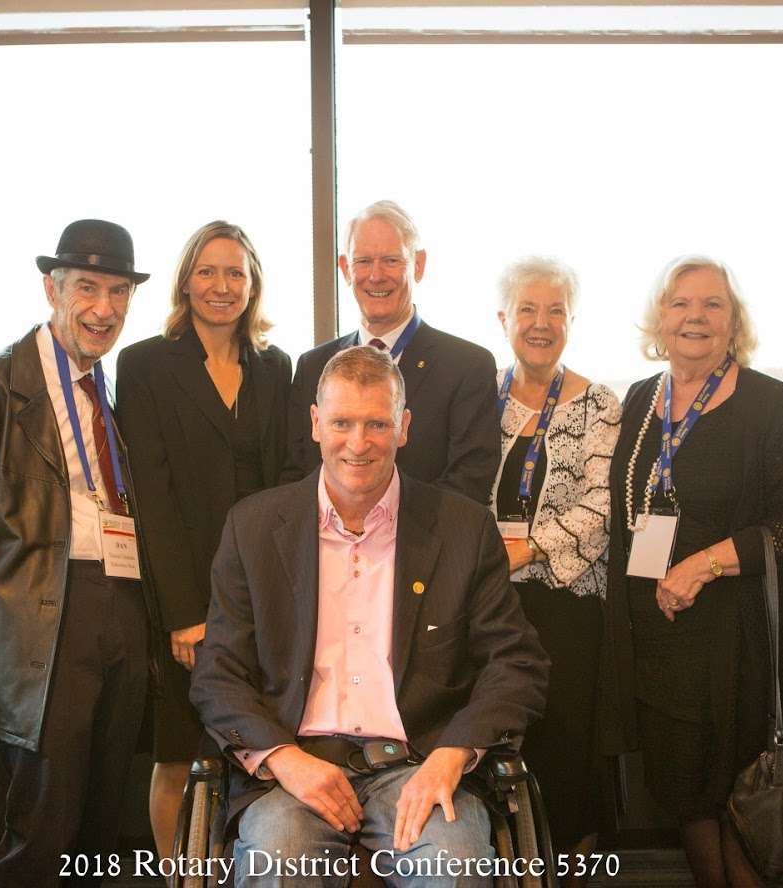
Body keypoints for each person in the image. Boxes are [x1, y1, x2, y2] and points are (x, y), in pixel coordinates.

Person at [192, 346, 549, 888]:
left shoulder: (463, 529)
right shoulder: (253, 527)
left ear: (404, 427)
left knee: (454, 867)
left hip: (419, 766)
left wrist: (453, 754)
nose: (358, 444)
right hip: (296, 773)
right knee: (279, 861)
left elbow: (517, 664)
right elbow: (217, 673)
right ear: (315, 423)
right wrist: (284, 759)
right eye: (342, 423)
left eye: (377, 424)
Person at [0, 219, 158, 887]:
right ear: (51, 290)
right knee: (43, 830)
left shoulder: (104, 391)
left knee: (100, 825)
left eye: (119, 292)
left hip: (120, 612)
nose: (104, 309)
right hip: (45, 628)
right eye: (87, 287)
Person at [599, 256, 783, 887]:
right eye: (680, 303)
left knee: (739, 806)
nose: (694, 316)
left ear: (734, 323)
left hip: (739, 648)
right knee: (687, 800)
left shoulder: (769, 404)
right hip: (660, 643)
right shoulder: (641, 399)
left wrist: (706, 564)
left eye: (712, 304)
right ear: (660, 318)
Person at [115, 220, 291, 860]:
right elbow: (151, 500)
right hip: (184, 594)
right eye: (207, 271)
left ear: (253, 284)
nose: (222, 285)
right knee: (177, 755)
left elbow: (288, 483)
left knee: (258, 750)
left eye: (235, 272)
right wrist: (185, 614)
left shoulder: (276, 367)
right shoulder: (144, 365)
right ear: (185, 282)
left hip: (261, 592)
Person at [488, 257, 621, 884]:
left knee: (567, 759)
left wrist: (527, 549)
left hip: (567, 607)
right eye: (527, 310)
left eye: (556, 311)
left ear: (571, 321)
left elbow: (602, 507)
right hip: (489, 608)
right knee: (496, 752)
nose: (541, 323)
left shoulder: (600, 405)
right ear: (503, 320)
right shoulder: (480, 397)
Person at [281, 200, 500, 504]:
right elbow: (297, 478)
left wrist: (379, 524)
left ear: (418, 265)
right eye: (363, 261)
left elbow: (469, 483)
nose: (376, 275)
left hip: (428, 534)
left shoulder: (468, 367)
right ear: (345, 268)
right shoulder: (313, 366)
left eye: (391, 260)